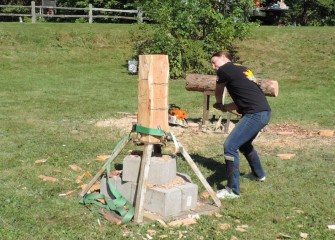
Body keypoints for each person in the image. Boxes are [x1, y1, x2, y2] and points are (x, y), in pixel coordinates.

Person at [211, 51, 271, 199]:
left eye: (214, 62)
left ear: (224, 58)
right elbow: (241, 101)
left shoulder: (224, 69)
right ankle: (259, 175)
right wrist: (225, 108)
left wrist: (219, 102)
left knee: (230, 146)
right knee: (244, 145)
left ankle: (232, 190)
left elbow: (218, 91)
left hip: (255, 114)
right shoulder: (243, 69)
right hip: (263, 112)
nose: (213, 66)